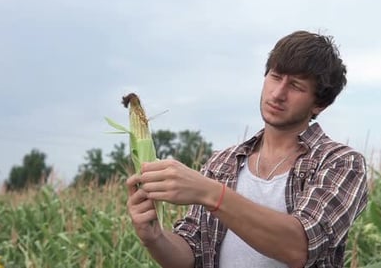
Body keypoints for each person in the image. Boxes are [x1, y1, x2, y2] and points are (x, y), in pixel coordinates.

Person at [126, 30, 368, 268]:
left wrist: (211, 193)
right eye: (275, 76)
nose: (278, 93)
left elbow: (299, 247)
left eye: (295, 86)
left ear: (319, 104)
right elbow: (191, 254)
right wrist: (154, 237)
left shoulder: (340, 163)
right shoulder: (222, 163)